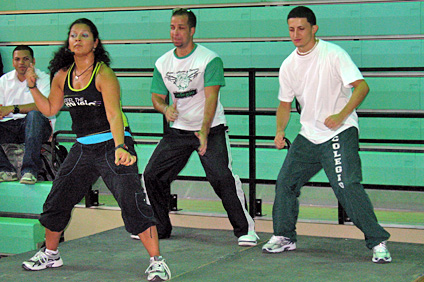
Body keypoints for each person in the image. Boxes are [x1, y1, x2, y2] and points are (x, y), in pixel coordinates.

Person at [21, 18, 171, 281]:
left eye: (84, 35)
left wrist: (121, 147)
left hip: (113, 144)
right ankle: (51, 254)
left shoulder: (103, 74)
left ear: (95, 43)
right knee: (58, 199)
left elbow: (114, 115)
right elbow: (49, 110)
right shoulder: (61, 76)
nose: (77, 39)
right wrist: (33, 87)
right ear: (68, 43)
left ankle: (157, 262)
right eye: (73, 35)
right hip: (83, 147)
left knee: (132, 202)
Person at [262, 6, 392, 264]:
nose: (296, 34)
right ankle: (284, 236)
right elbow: (284, 104)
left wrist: (341, 115)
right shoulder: (288, 65)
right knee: (285, 183)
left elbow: (361, 87)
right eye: (291, 30)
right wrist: (279, 131)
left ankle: (377, 241)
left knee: (346, 186)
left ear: (314, 28)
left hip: (339, 132)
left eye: (301, 28)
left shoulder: (333, 54)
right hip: (308, 135)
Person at [143, 8, 258, 246]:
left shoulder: (209, 59)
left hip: (211, 128)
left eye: (181, 28)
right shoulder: (162, 62)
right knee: (152, 174)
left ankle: (246, 230)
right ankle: (160, 228)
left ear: (192, 30)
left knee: (221, 177)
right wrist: (165, 109)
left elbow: (211, 99)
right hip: (178, 131)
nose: (176, 32)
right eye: (172, 27)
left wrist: (204, 132)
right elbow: (156, 96)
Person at [0, 45, 54, 185]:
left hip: (37, 126)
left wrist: (13, 108)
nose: (21, 63)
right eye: (17, 59)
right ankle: (6, 170)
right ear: (12, 62)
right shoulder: (4, 80)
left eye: (25, 59)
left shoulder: (44, 79)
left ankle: (29, 171)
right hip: (10, 126)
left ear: (33, 61)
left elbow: (44, 107)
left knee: (34, 115)